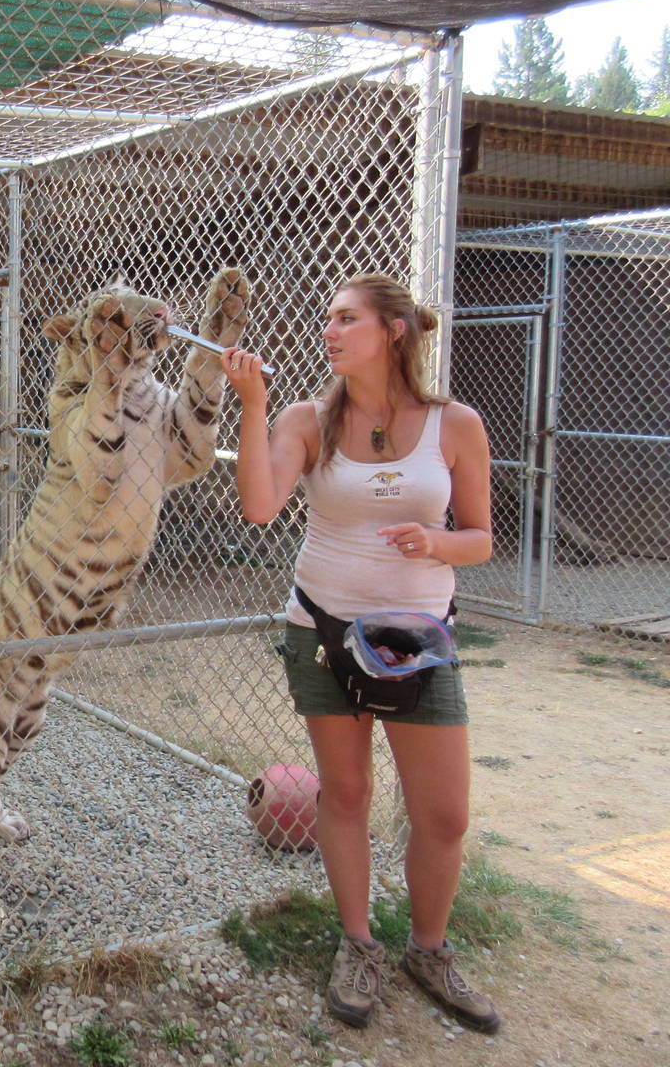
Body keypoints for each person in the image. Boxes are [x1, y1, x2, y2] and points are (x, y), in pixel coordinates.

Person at [220, 273, 500, 1034]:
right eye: (327, 320)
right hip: (321, 630)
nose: (330, 331)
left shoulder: (455, 425)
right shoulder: (307, 418)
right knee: (344, 796)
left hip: (415, 640)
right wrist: (251, 408)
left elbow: (480, 538)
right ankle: (359, 944)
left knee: (443, 815)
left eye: (347, 319)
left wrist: (437, 541)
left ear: (394, 331)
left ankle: (430, 951)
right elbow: (259, 506)